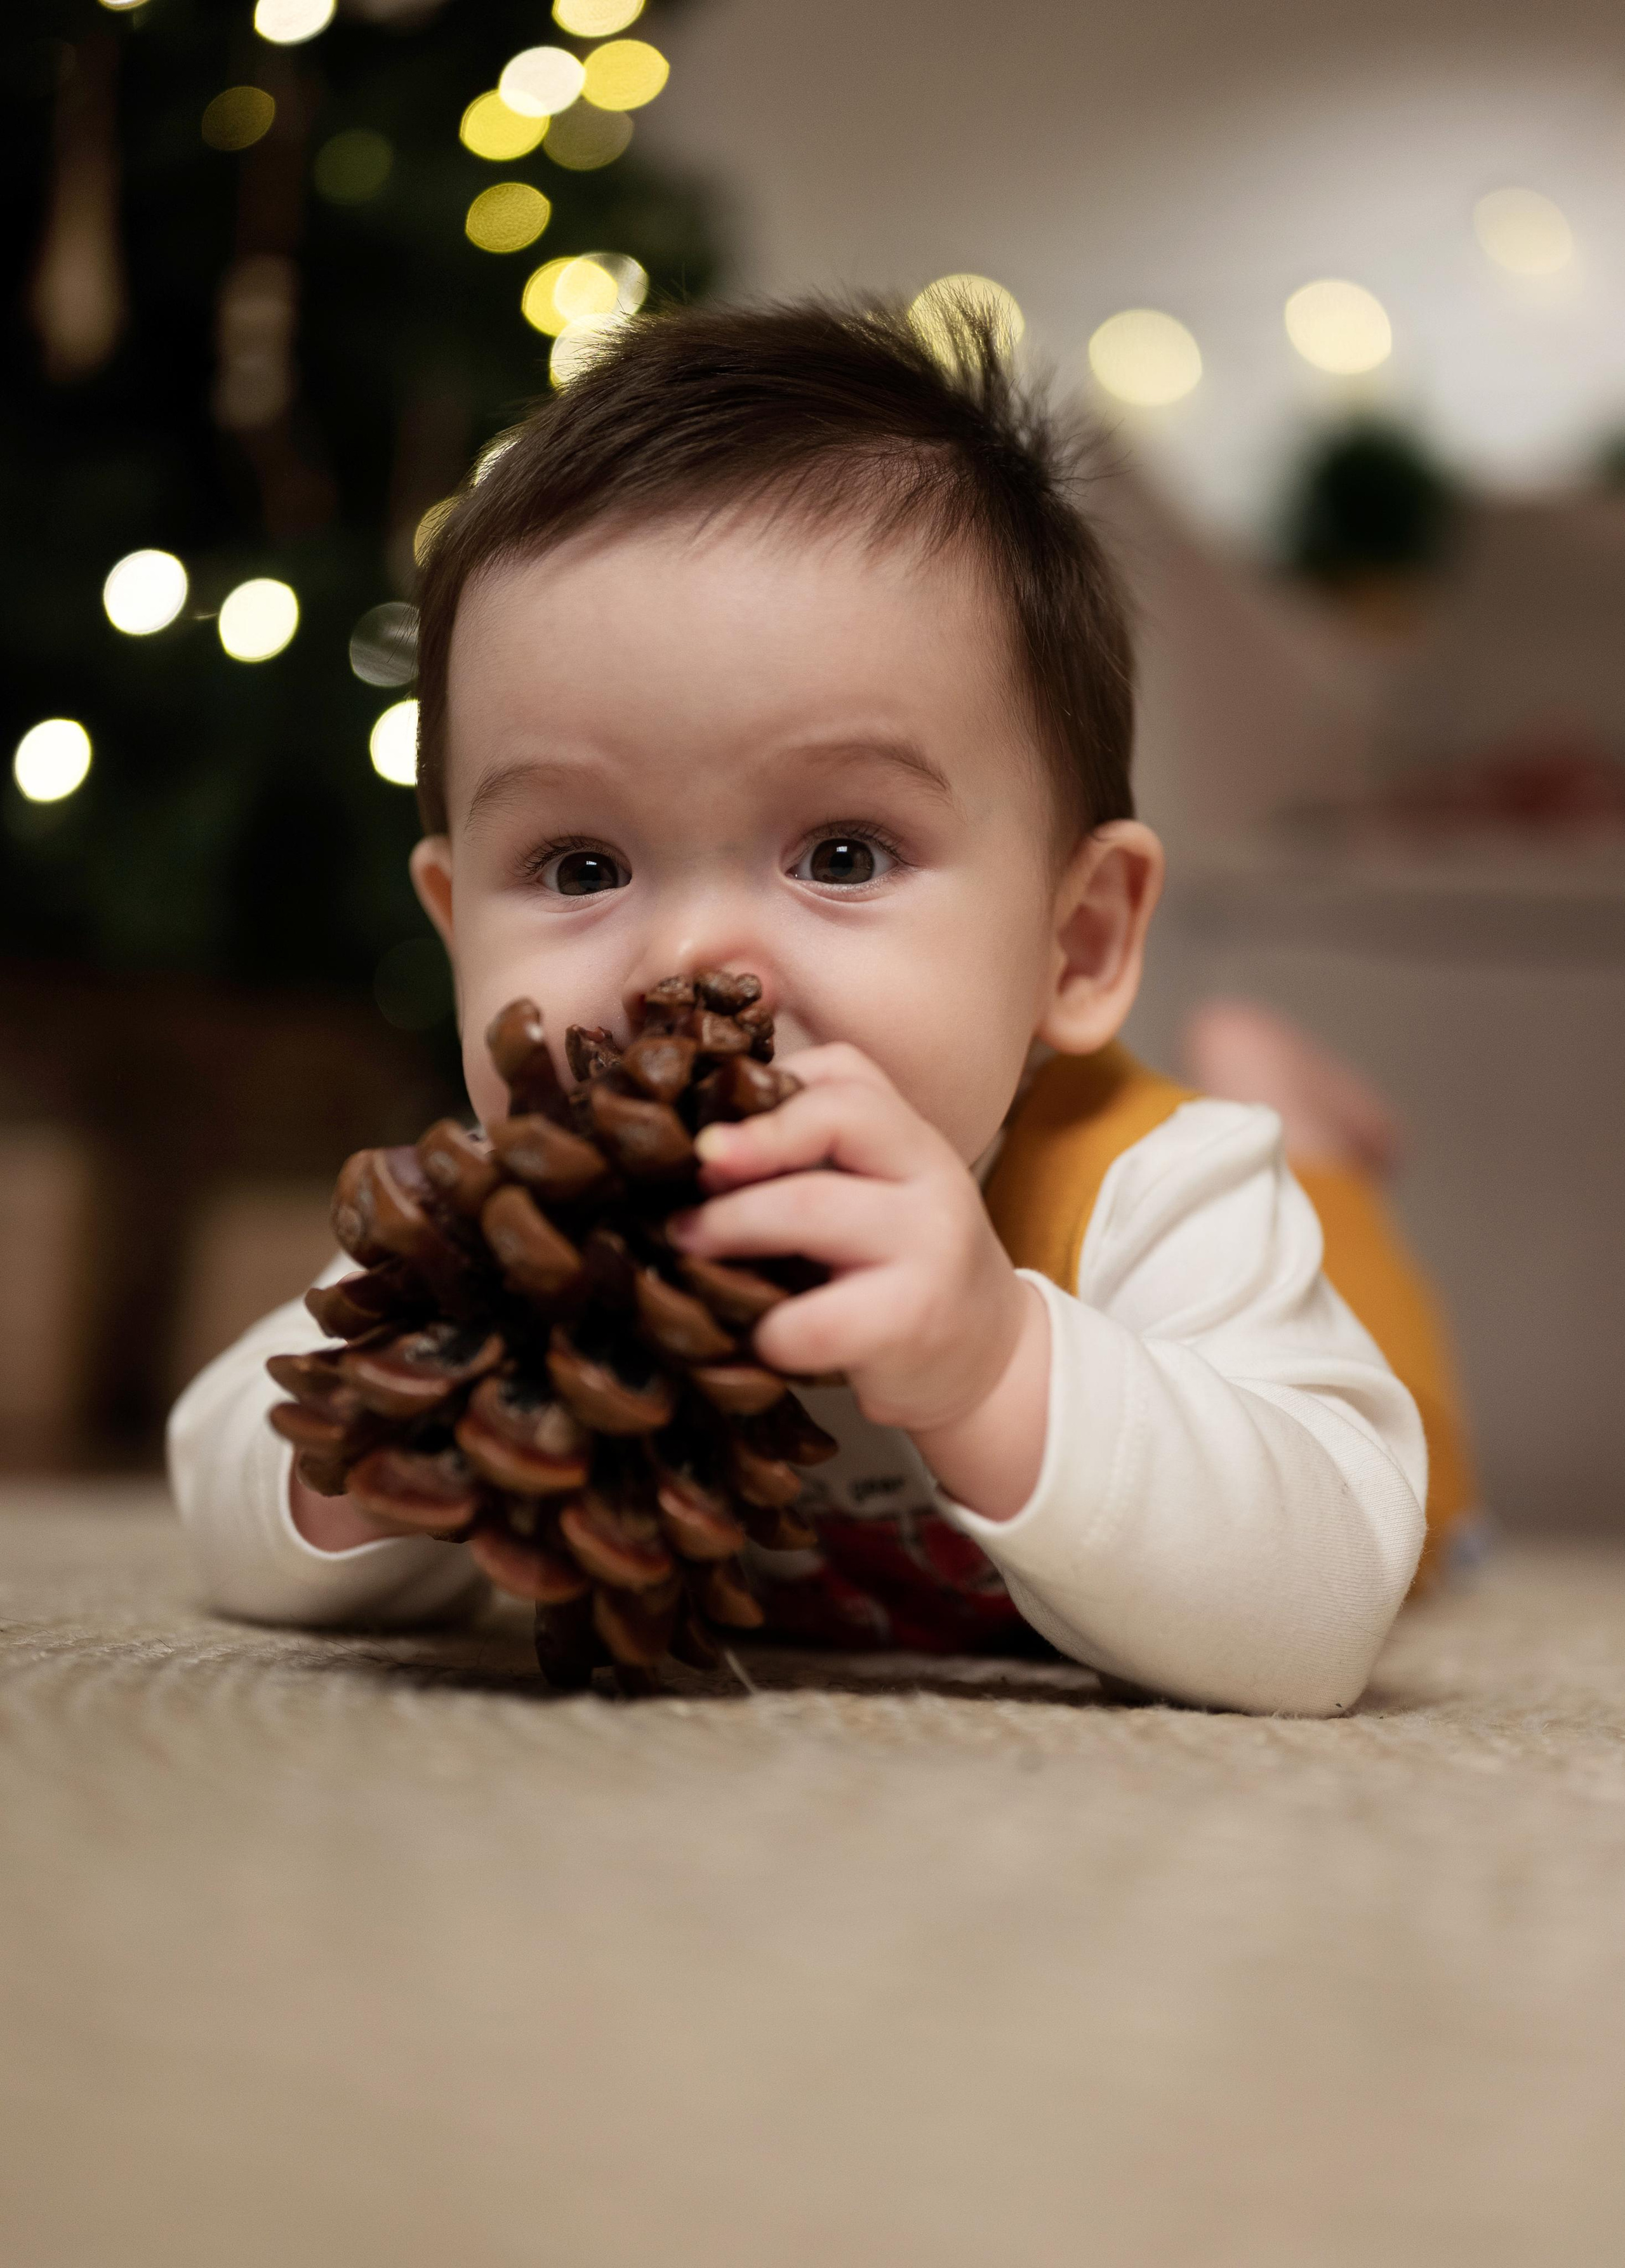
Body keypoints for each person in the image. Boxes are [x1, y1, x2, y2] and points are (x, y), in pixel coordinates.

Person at [169, 296, 1459, 1715]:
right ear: (457, 926)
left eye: (840, 854)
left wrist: (994, 1362)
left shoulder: (1158, 1201)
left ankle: (1296, 1113)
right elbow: (217, 1460)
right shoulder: (507, 1226)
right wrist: (385, 1436)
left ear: (1073, 942)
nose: (690, 959)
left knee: (1416, 1454)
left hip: (1244, 1262)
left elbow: (1327, 1596)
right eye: (580, 865)